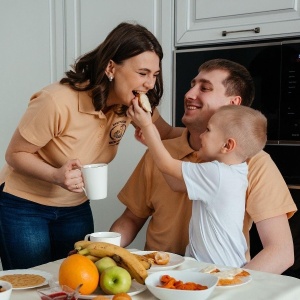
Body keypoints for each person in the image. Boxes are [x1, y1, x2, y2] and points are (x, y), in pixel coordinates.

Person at [0, 22, 178, 270]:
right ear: (111, 67)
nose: (149, 83)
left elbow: (168, 134)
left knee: (79, 283)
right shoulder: (57, 101)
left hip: (74, 207)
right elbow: (15, 154)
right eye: (143, 73)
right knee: (35, 285)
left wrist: (210, 133)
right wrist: (55, 175)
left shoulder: (131, 106)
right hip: (24, 207)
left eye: (155, 75)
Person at [110, 58, 297, 274]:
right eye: (192, 85)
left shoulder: (255, 163)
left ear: (233, 104)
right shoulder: (161, 151)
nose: (189, 94)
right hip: (156, 279)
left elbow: (280, 252)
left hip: (217, 282)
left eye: (205, 88)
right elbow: (131, 218)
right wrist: (104, 251)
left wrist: (229, 289)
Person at [127, 103, 267, 267]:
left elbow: (167, 165)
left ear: (227, 145)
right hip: (216, 265)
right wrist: (153, 143)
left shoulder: (217, 174)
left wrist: (147, 125)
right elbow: (175, 183)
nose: (201, 135)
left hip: (217, 268)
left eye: (208, 130)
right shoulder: (234, 172)